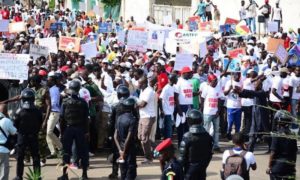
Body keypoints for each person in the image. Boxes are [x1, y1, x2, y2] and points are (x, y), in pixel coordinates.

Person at [58, 80, 89, 180]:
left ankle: (65, 174)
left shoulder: (65, 102)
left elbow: (61, 118)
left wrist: (62, 132)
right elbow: (86, 118)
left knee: (66, 152)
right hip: (80, 129)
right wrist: (87, 131)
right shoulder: (83, 102)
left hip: (68, 128)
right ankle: (84, 174)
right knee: (83, 152)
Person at [13, 89, 43, 180]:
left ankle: (19, 176)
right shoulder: (38, 111)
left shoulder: (19, 111)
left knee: (20, 157)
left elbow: (15, 125)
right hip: (33, 136)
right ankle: (37, 176)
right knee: (36, 157)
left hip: (22, 136)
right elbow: (39, 123)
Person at [179, 109, 213, 180]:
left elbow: (182, 157)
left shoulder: (187, 136)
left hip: (189, 170)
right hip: (202, 168)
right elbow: (210, 154)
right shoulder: (207, 136)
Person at [266, 110, 298, 180]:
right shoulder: (293, 136)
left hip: (277, 167)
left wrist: (269, 166)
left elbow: (272, 153)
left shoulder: (277, 135)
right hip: (290, 167)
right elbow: (294, 152)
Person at [108, 85, 131, 179]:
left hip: (117, 133)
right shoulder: (131, 105)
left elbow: (111, 122)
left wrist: (110, 134)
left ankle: (115, 172)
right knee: (128, 153)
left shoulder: (115, 106)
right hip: (128, 132)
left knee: (116, 153)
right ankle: (126, 173)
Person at [114, 97, 137, 180]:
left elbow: (115, 136)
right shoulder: (133, 120)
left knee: (123, 169)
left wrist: (120, 150)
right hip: (129, 147)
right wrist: (124, 151)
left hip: (121, 145)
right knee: (130, 169)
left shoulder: (119, 118)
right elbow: (128, 137)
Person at [137, 76, 157, 164]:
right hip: (143, 116)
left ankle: (148, 158)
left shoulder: (148, 91)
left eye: (140, 83)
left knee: (144, 138)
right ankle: (157, 149)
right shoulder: (143, 90)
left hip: (148, 117)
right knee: (140, 137)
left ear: (144, 83)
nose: (138, 85)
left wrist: (133, 105)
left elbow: (142, 104)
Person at [201, 73, 222, 152]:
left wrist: (218, 110)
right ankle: (205, 146)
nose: (215, 82)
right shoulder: (206, 88)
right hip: (207, 113)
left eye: (216, 81)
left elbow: (219, 99)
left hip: (216, 113)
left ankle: (216, 146)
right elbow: (202, 98)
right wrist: (202, 108)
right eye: (214, 81)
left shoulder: (218, 88)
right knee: (206, 130)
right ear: (209, 81)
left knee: (216, 130)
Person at [45, 74, 63, 159]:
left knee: (49, 132)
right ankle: (53, 152)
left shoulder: (58, 89)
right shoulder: (49, 89)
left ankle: (61, 148)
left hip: (55, 112)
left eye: (49, 80)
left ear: (53, 81)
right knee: (48, 133)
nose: (47, 81)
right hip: (51, 112)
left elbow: (56, 102)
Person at [0, 104, 17, 180]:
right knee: (3, 171)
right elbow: (14, 132)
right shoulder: (6, 121)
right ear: (6, 111)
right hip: (3, 149)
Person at [224, 72, 242, 140]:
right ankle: (228, 134)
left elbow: (242, 92)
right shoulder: (229, 82)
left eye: (236, 74)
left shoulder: (241, 83)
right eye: (233, 74)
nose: (235, 76)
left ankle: (237, 138)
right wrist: (229, 89)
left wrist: (237, 91)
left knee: (238, 123)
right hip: (231, 106)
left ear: (239, 75)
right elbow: (225, 93)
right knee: (230, 122)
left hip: (238, 106)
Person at [158, 74, 178, 139]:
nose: (177, 79)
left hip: (170, 111)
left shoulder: (173, 87)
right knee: (169, 130)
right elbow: (160, 99)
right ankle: (167, 144)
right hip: (167, 112)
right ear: (172, 80)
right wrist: (162, 110)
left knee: (169, 129)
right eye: (176, 78)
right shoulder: (166, 88)